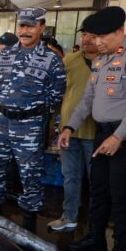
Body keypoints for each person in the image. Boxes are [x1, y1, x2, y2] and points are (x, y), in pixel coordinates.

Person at [59, 6, 126, 251]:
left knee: (122, 194)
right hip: (104, 133)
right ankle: (94, 237)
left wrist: (118, 136)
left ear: (120, 32)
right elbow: (88, 99)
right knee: (99, 188)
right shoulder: (102, 60)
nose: (97, 42)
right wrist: (69, 126)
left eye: (103, 36)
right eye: (94, 36)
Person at [0, 7, 66, 232]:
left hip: (30, 126)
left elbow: (56, 96)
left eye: (30, 26)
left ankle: (29, 221)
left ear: (41, 27)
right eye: (22, 26)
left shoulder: (52, 60)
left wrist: (36, 118)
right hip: (0, 123)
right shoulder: (3, 56)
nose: (25, 30)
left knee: (30, 174)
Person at [47, 17, 99, 232]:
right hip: (68, 130)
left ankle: (96, 226)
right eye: (84, 34)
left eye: (92, 35)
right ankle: (69, 216)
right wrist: (52, 123)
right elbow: (58, 94)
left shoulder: (110, 62)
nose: (86, 39)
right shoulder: (70, 60)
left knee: (97, 181)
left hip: (97, 134)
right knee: (70, 176)